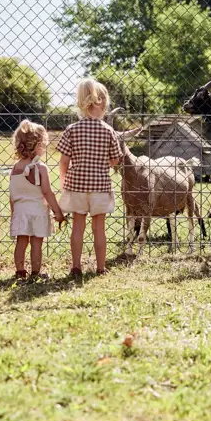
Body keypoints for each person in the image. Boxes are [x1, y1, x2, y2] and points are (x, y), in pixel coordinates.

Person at [56, 78, 123, 278]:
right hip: (100, 186)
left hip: (76, 185)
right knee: (98, 228)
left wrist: (63, 181)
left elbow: (64, 161)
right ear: (102, 103)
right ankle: (100, 267)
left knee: (78, 225)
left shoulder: (72, 130)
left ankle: (76, 266)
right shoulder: (108, 131)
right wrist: (101, 165)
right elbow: (115, 159)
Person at [9, 120, 66, 280]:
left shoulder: (15, 168)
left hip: (21, 211)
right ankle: (35, 272)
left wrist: (14, 212)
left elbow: (12, 194)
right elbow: (47, 192)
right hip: (38, 211)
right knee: (36, 243)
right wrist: (58, 212)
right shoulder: (41, 168)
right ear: (38, 145)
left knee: (21, 242)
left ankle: (20, 271)